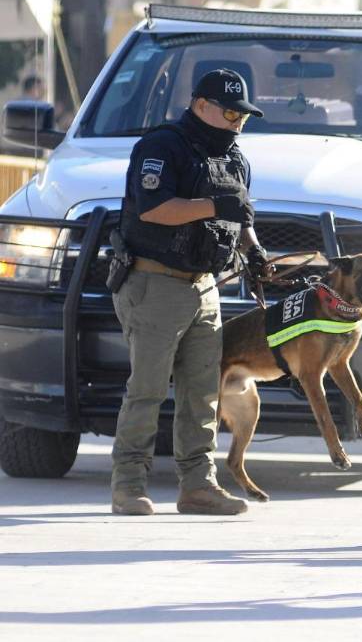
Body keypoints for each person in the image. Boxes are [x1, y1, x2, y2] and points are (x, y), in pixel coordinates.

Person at [110, 68, 272, 516]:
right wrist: (214, 205)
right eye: (229, 111)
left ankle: (199, 486)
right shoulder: (162, 146)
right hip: (154, 282)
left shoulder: (235, 157)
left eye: (243, 114)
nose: (238, 120)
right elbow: (155, 209)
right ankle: (127, 486)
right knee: (146, 390)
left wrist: (254, 252)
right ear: (201, 106)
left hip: (205, 287)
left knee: (204, 393)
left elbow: (240, 216)